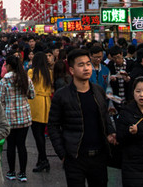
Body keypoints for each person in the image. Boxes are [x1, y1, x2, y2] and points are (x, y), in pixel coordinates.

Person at [49, 48, 117, 187]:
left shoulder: (98, 91)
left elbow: (104, 116)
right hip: (75, 157)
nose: (86, 68)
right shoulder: (62, 95)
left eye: (87, 64)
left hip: (99, 156)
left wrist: (110, 133)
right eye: (81, 65)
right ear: (72, 70)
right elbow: (53, 126)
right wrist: (62, 154)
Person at [0, 54, 35, 182]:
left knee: (11, 145)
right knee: (22, 145)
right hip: (24, 117)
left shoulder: (4, 81)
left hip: (9, 118)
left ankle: (11, 172)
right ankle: (23, 173)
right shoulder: (26, 78)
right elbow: (32, 95)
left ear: (8, 66)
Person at [28, 49, 53, 173]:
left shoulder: (32, 72)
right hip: (46, 103)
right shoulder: (49, 73)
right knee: (41, 133)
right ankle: (41, 160)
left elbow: (28, 86)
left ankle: (44, 160)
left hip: (35, 104)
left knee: (37, 135)